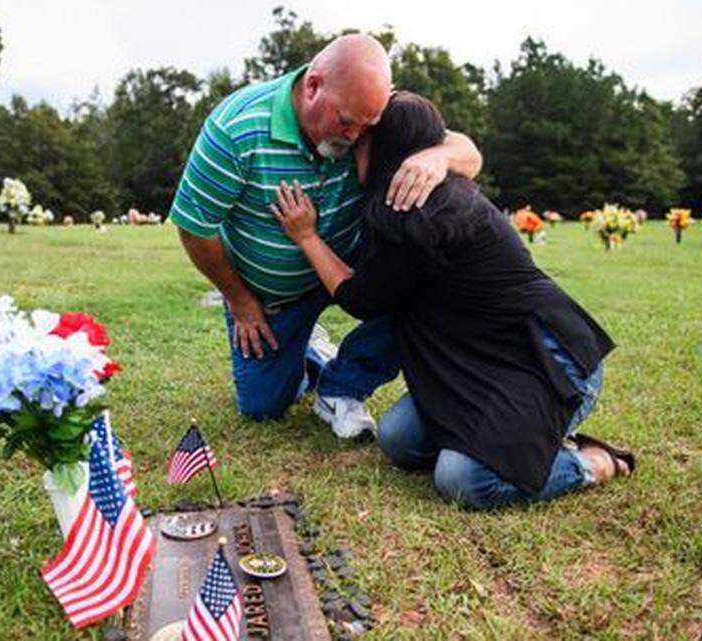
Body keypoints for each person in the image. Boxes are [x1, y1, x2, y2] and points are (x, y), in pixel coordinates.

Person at [271, 92, 634, 509]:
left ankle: (593, 463)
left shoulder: (416, 217)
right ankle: (511, 441)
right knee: (398, 440)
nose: (352, 153)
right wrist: (440, 154)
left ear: (386, 149)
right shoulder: (423, 193)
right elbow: (444, 135)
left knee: (464, 479)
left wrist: (306, 237)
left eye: (360, 144)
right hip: (475, 366)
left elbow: (361, 300)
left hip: (547, 363)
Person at [169, 35, 482, 437]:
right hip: (271, 296)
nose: (355, 136)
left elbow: (469, 152)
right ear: (313, 86)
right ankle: (310, 347)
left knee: (423, 289)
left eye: (367, 127)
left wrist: (438, 155)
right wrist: (240, 300)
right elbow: (195, 229)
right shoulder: (235, 128)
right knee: (263, 407)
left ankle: (342, 385)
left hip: (352, 261)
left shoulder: (370, 106)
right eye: (347, 121)